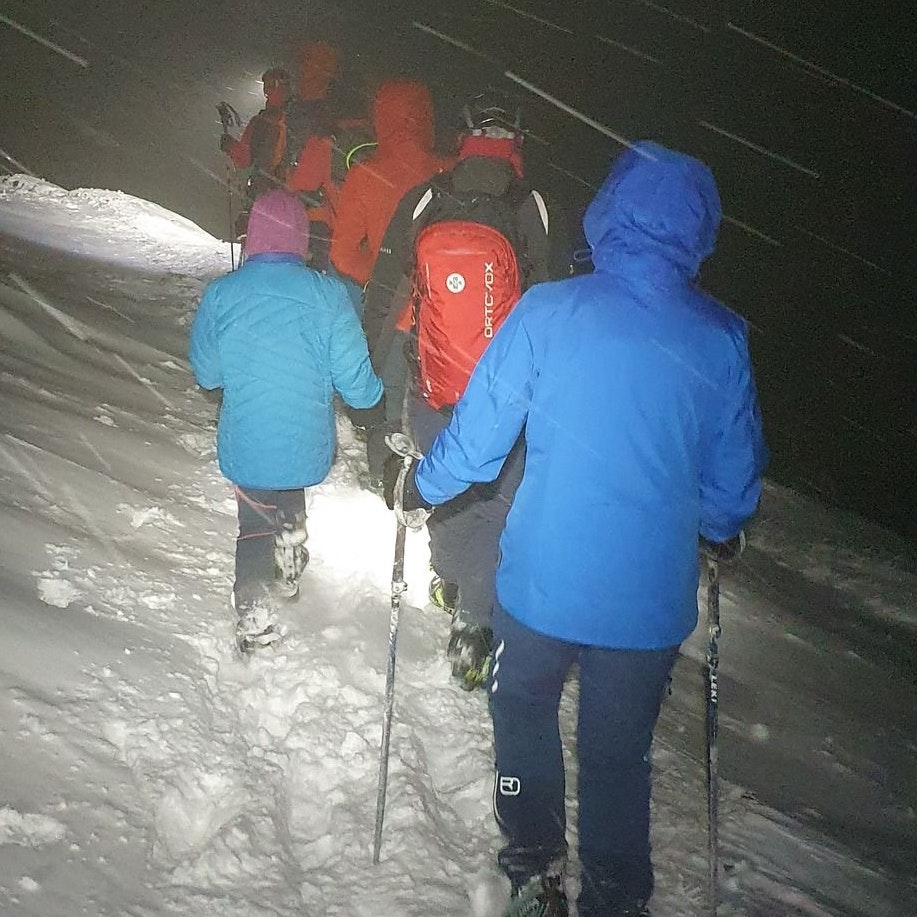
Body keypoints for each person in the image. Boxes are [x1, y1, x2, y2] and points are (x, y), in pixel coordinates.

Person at [387, 142, 768, 915]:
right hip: (646, 605)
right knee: (615, 755)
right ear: (699, 232)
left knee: (522, 711)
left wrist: (419, 483)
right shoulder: (720, 337)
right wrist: (719, 528)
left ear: (608, 213)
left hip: (540, 584)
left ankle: (532, 864)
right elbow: (731, 489)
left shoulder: (549, 310)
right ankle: (613, 894)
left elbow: (479, 439)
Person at [372, 92, 567, 689]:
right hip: (510, 393)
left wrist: (377, 384)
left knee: (446, 483)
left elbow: (385, 290)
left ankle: (451, 576)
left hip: (435, 378)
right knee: (499, 504)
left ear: (463, 140)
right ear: (517, 144)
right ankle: (475, 620)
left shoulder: (427, 198)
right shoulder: (533, 205)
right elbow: (555, 304)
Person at [189, 189, 383, 651]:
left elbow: (207, 373)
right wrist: (374, 406)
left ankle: (255, 612)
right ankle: (291, 540)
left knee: (253, 519)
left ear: (252, 237)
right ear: (302, 241)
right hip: (305, 440)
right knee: (289, 471)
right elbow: (355, 380)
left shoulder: (222, 294)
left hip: (248, 439)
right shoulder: (329, 296)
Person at [329, 79, 452, 291]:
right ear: (426, 116)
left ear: (381, 115)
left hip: (391, 304)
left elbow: (343, 256)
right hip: (445, 298)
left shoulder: (364, 175)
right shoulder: (451, 169)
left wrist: (382, 274)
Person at [220, 68, 293, 237]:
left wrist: (229, 145)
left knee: (262, 243)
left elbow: (244, 158)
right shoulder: (303, 117)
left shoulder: (262, 121)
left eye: (270, 86)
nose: (267, 91)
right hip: (299, 200)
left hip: (264, 195)